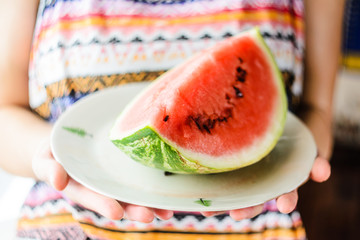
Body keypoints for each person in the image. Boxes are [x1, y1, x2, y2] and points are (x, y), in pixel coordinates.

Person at [0, 0, 344, 239]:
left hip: (257, 224)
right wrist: (48, 155)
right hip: (72, 225)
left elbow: (318, 112)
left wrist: (300, 156)